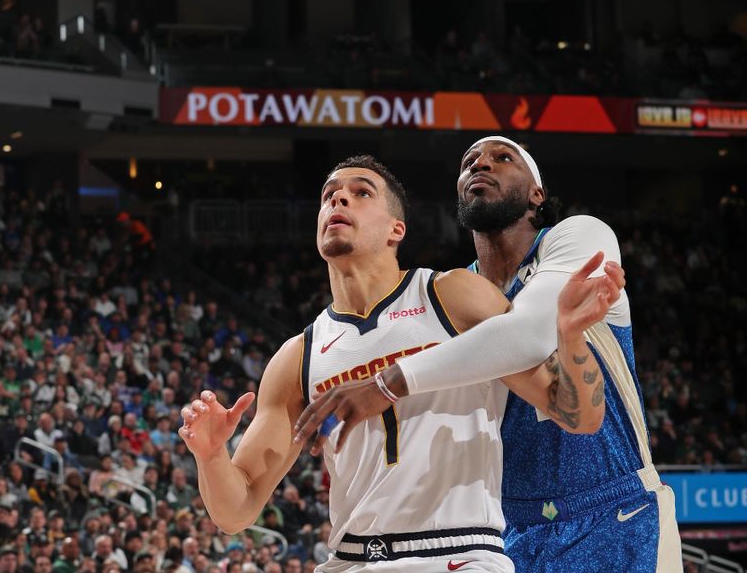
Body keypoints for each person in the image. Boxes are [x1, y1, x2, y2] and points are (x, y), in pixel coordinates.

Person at [180, 155, 622, 572]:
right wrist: (212, 456)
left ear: (396, 230)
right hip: (350, 558)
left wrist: (569, 336)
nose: (338, 198)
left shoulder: (452, 296)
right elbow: (236, 511)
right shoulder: (298, 356)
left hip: (457, 554)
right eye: (329, 194)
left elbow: (578, 413)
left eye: (361, 192)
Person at [294, 139, 681, 572]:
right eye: (469, 162)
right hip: (509, 531)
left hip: (613, 511)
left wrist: (386, 383)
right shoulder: (457, 295)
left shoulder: (578, 236)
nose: (482, 164)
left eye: (503, 158)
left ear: (537, 192)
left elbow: (528, 335)